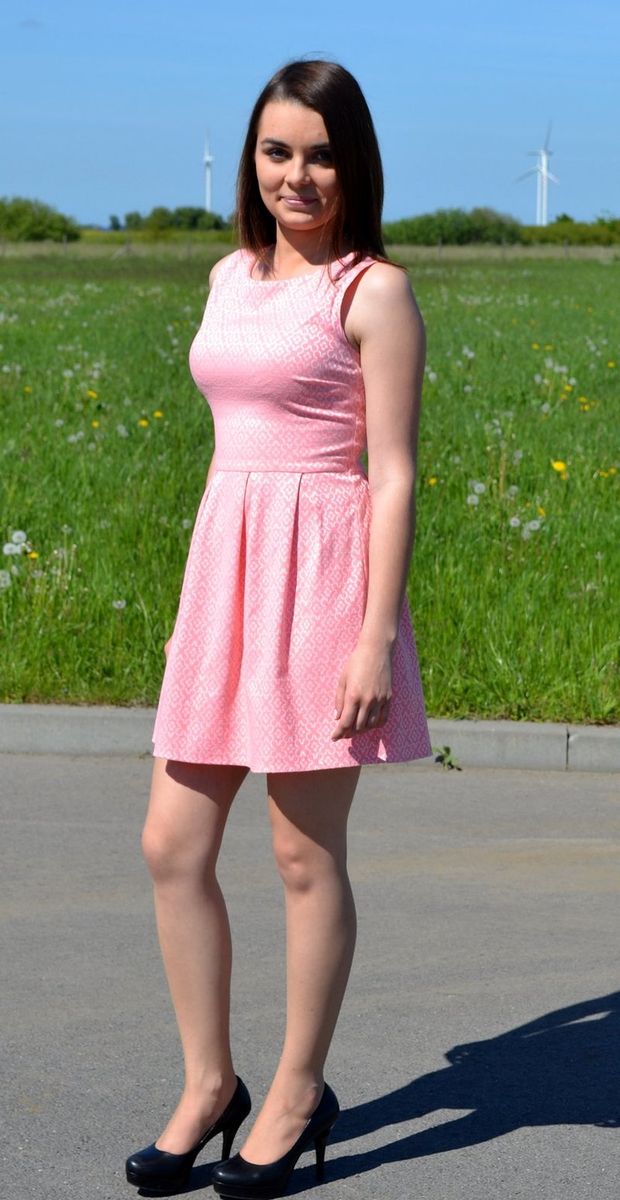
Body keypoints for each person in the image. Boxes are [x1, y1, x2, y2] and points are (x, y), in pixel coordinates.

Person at [125, 58, 432, 1199]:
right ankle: (211, 1083)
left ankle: (298, 1089)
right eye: (275, 151)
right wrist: (198, 608)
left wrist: (369, 638)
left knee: (301, 853)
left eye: (318, 153)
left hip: (324, 581)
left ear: (352, 164)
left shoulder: (372, 290)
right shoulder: (226, 272)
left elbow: (391, 475)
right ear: (251, 161)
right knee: (171, 843)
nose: (296, 174)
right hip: (227, 572)